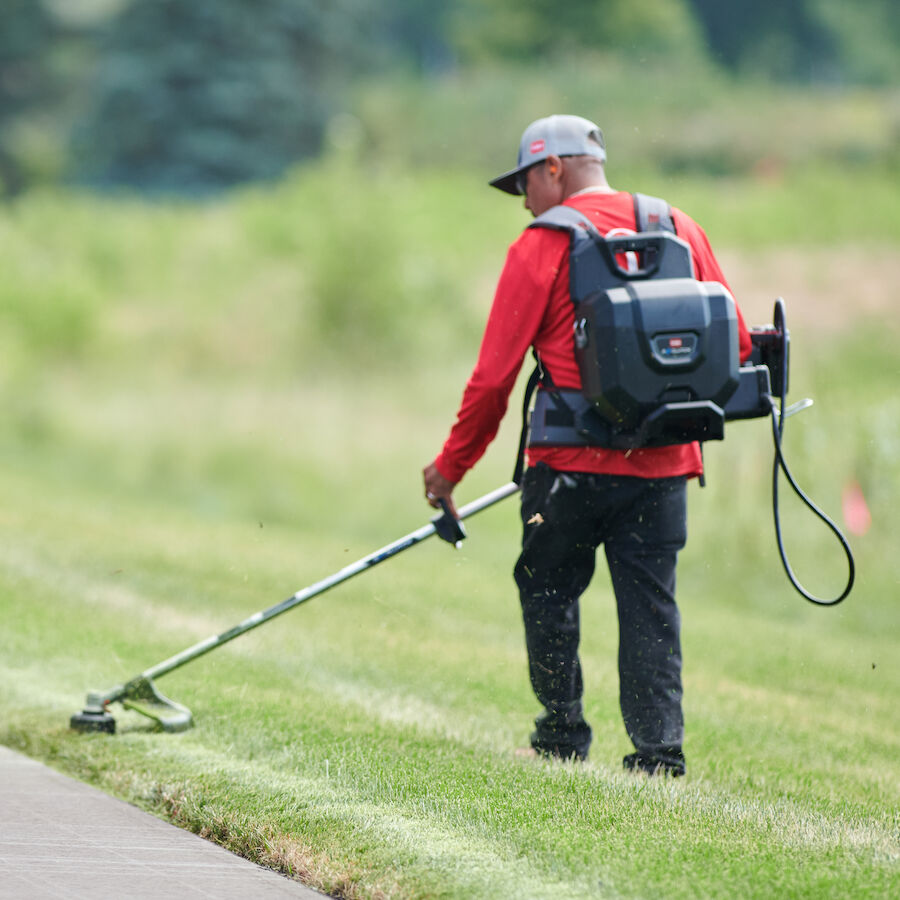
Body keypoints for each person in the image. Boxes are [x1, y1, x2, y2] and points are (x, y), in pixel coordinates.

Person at [422, 115, 752, 777]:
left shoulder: (540, 246)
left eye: (524, 183)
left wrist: (448, 470)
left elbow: (493, 379)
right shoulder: (678, 227)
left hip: (565, 470)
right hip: (662, 468)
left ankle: (562, 736)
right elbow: (738, 343)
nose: (522, 200)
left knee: (547, 591)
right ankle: (659, 756)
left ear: (554, 169)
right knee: (650, 606)